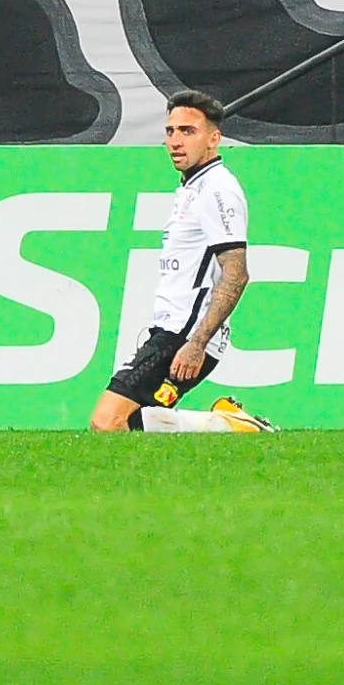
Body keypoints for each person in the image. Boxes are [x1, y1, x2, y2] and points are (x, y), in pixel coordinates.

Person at [90, 90, 274, 434]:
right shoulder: (192, 187)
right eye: (171, 131)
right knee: (133, 422)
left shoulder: (217, 190)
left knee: (107, 422)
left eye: (187, 131)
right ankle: (227, 424)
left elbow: (236, 274)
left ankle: (229, 425)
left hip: (184, 335)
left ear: (213, 139)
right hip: (172, 330)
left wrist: (196, 344)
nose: (175, 141)